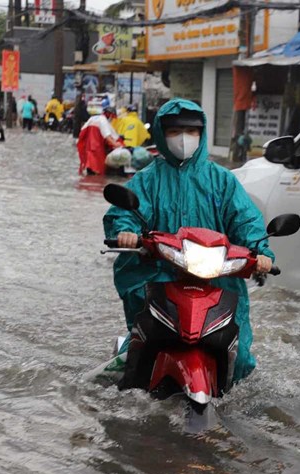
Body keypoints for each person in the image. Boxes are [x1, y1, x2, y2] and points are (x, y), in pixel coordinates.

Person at [102, 98, 274, 384]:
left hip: (214, 277)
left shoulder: (222, 181)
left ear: (201, 133)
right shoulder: (147, 180)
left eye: (191, 131)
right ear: (161, 133)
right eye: (175, 131)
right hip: (159, 274)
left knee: (240, 357)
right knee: (140, 356)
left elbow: (245, 220)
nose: (184, 138)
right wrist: (127, 232)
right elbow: (125, 213)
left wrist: (261, 251)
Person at [77, 106, 123, 175]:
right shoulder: (103, 120)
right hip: (97, 150)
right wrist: (116, 144)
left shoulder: (93, 118)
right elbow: (107, 136)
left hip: (88, 149)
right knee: (98, 172)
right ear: (109, 114)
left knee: (90, 172)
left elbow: (82, 132)